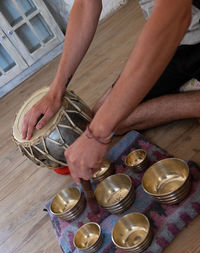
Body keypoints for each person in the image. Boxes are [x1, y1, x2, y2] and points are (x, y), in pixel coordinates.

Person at [22, 0, 200, 184]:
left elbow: (175, 15)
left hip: (186, 31)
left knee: (110, 121)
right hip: (180, 37)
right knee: (102, 115)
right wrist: (55, 91)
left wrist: (98, 134)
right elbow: (85, 4)